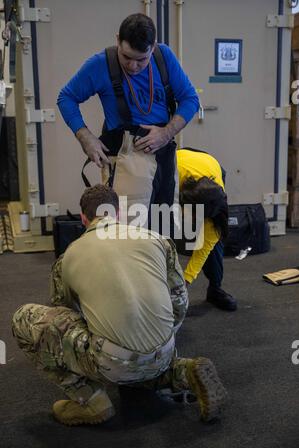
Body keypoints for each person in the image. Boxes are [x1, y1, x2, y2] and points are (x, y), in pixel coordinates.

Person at [12, 184, 227, 426]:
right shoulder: (157, 240)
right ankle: (181, 371)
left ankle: (90, 400)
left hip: (112, 363)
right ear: (119, 214)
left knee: (24, 318)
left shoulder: (67, 258)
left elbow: (65, 314)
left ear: (84, 219)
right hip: (165, 348)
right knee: (140, 348)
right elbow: (179, 300)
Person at [57, 13, 199, 219]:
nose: (133, 66)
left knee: (164, 230)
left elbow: (190, 99)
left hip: (163, 156)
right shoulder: (100, 65)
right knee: (127, 234)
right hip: (124, 159)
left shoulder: (164, 58)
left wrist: (167, 133)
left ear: (154, 46)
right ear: (117, 40)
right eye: (126, 57)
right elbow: (66, 97)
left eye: (141, 59)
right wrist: (85, 137)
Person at [177, 148, 237, 311]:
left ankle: (215, 289)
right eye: (194, 215)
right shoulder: (174, 178)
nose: (196, 221)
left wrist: (184, 283)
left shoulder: (217, 200)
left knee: (213, 238)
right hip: (181, 162)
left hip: (211, 167)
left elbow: (204, 249)